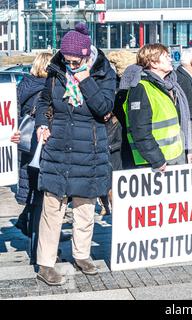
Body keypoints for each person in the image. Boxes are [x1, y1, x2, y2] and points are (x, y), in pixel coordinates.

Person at [34, 23, 117, 286]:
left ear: (86, 54)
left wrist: (86, 81)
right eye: (67, 59)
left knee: (84, 207)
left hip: (89, 149)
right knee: (52, 208)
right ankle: (45, 264)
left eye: (75, 60)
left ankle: (82, 255)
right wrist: (41, 124)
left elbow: (104, 107)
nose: (70, 64)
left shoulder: (104, 72)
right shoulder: (56, 69)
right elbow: (44, 102)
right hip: (58, 146)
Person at [10, 52, 71, 265]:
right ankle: (42, 252)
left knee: (37, 203)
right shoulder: (44, 92)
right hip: (43, 154)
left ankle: (37, 240)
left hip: (28, 155)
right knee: (44, 205)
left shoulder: (22, 88)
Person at [123, 43, 192, 171]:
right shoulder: (141, 88)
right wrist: (157, 159)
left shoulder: (172, 87)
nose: (171, 59)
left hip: (175, 158)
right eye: (166, 56)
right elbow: (140, 129)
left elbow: (180, 123)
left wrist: (189, 150)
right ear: (153, 62)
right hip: (153, 164)